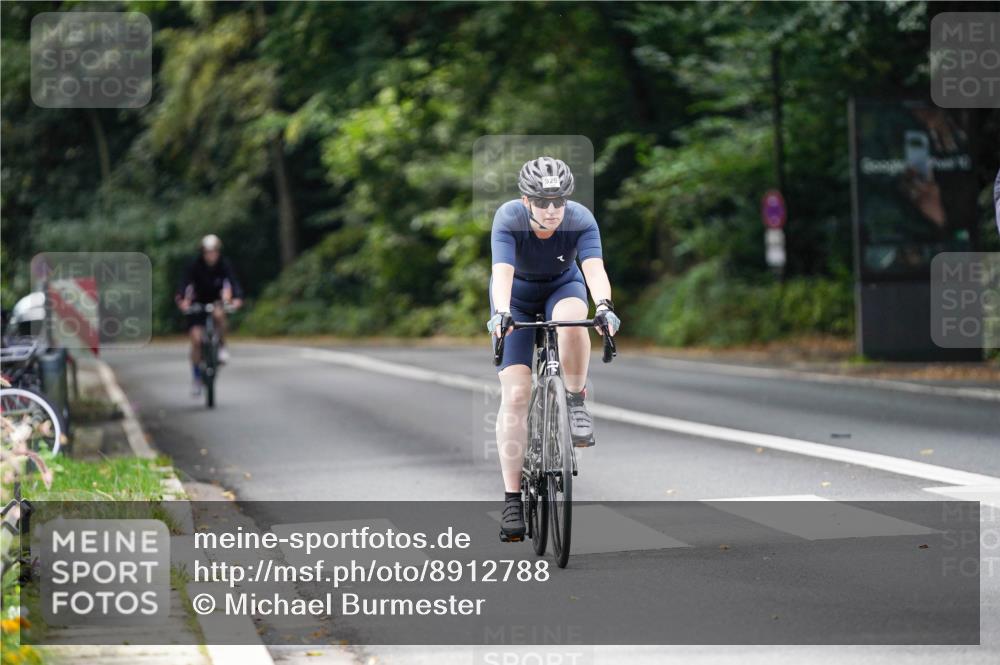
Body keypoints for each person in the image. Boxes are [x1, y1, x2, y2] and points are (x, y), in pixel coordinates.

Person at [487, 157, 620, 541]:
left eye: (558, 201)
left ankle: (575, 401)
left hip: (563, 287)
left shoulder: (580, 219)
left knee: (573, 320)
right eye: (542, 202)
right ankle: (513, 499)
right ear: (525, 201)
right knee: (516, 394)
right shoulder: (508, 218)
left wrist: (605, 306)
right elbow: (501, 274)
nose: (551, 210)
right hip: (516, 297)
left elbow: (594, 269)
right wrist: (501, 313)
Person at [175, 235, 243, 395]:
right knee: (196, 340)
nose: (211, 255)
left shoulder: (224, 265)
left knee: (219, 315)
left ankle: (221, 346)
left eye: (214, 252)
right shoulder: (194, 265)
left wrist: (237, 298)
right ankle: (196, 377)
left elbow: (232, 282)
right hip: (197, 303)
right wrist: (182, 300)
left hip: (215, 301)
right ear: (203, 253)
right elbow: (184, 284)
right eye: (207, 252)